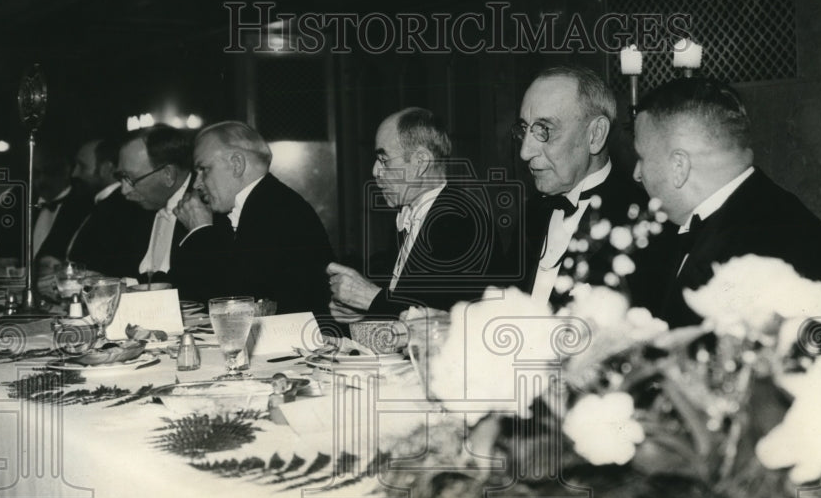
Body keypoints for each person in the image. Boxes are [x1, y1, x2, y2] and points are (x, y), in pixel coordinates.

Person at [632, 76, 821, 328]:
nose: (636, 173)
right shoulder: (751, 210)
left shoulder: (763, 243)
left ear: (679, 166)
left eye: (641, 157)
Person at [326, 108, 497, 322]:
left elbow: (441, 318)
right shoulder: (411, 215)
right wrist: (363, 309)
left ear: (421, 162)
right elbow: (406, 304)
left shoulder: (461, 222)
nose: (375, 171)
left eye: (384, 159)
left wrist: (369, 298)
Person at [512, 65, 652, 306]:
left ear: (595, 135)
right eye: (525, 129)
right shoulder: (531, 214)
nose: (525, 152)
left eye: (545, 130)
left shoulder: (641, 220)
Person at [173, 121, 333, 314]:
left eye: (203, 170)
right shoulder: (237, 211)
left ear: (237, 164)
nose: (197, 183)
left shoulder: (280, 211)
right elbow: (188, 291)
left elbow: (235, 304)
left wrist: (201, 231)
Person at [115, 124, 211, 296]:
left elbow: (203, 288)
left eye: (130, 178)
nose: (124, 190)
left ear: (168, 174)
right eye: (121, 177)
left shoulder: (210, 208)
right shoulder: (132, 211)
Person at [66, 137, 154, 278]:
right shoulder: (92, 203)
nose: (74, 174)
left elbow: (119, 267)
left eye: (82, 166)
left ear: (107, 168)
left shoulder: (128, 207)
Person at [32, 141, 94, 275]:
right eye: (36, 173)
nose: (41, 180)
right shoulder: (22, 203)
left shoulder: (84, 207)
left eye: (49, 172)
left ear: (66, 171)